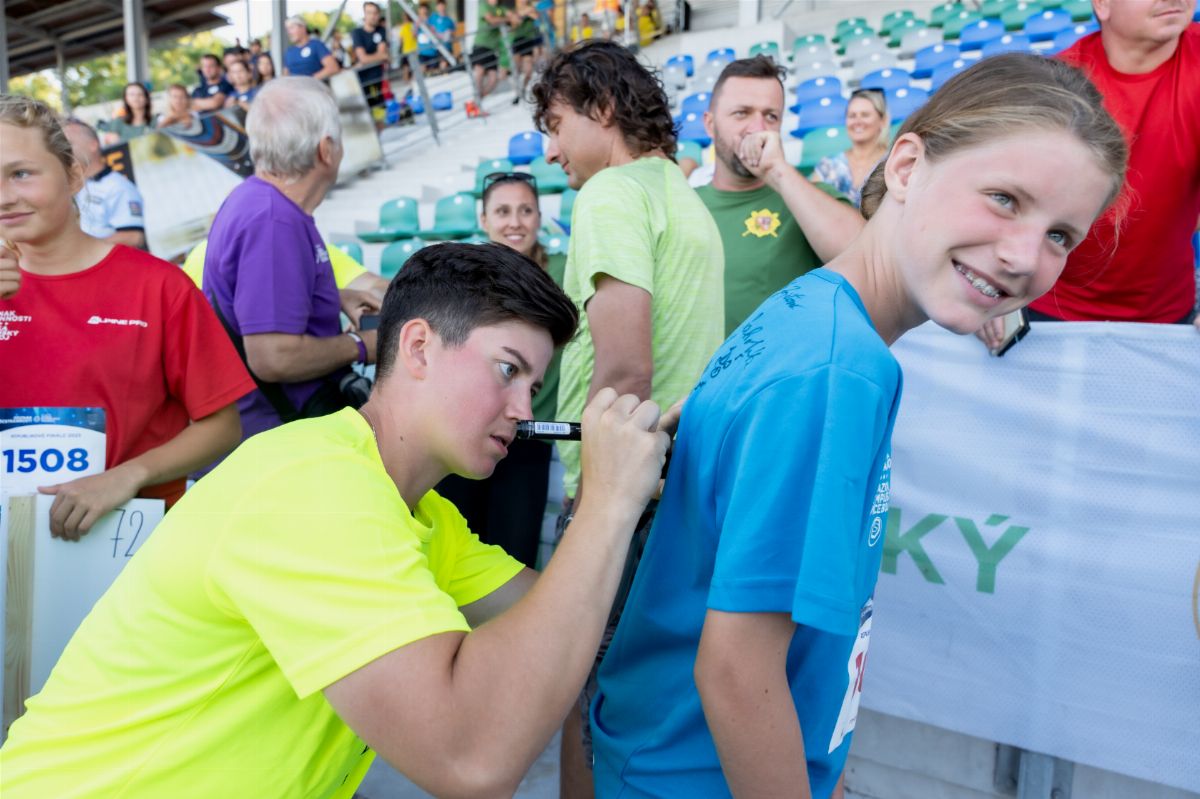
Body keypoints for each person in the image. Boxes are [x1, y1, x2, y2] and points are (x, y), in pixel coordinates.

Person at [588, 53, 1127, 799]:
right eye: (1004, 198)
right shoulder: (839, 368)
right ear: (905, 166)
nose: (1022, 257)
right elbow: (737, 671)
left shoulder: (819, 312)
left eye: (1061, 235)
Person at [0, 241, 676, 799]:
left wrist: (655, 495)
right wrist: (607, 502)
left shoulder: (419, 514)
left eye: (533, 386)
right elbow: (471, 756)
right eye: (507, 370)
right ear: (418, 347)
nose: (524, 410)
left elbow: (567, 623)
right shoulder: (314, 487)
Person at [531, 39, 725, 797]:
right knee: (639, 701)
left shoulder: (610, 194)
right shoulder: (681, 193)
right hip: (671, 483)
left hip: (625, 486)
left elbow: (625, 370)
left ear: (603, 109)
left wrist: (595, 500)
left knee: (588, 695)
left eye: (556, 125)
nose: (551, 152)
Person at [0, 95, 253, 538]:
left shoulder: (158, 287)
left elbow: (222, 426)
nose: (4, 198)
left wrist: (130, 474)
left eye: (21, 173)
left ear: (73, 175)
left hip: (128, 545)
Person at [980, 0, 1198, 340]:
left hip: (1166, 312)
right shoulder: (1054, 85)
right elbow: (1002, 193)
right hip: (1045, 302)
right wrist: (989, 277)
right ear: (1102, 4)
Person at [204, 78, 379, 443]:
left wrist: (332, 297)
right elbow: (274, 357)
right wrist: (363, 344)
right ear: (326, 149)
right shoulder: (273, 221)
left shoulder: (258, 202)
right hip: (287, 432)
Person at [437, 172, 566, 569]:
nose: (515, 222)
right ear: (484, 219)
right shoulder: (460, 277)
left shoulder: (565, 273)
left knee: (513, 556)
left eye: (525, 211)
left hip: (528, 435)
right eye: (503, 211)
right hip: (464, 431)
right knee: (450, 552)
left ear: (539, 217)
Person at [698, 56, 865, 336]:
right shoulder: (685, 204)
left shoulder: (808, 198)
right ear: (710, 124)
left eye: (771, 116)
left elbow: (866, 260)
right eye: (741, 113)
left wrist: (777, 172)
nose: (758, 128)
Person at [61, 118, 147, 250]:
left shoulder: (118, 187)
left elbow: (134, 237)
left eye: (68, 143)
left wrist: (83, 248)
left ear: (93, 145)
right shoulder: (69, 185)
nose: (63, 150)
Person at [810, 88, 891, 208]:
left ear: (883, 121)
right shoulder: (828, 165)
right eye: (852, 116)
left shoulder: (892, 162)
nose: (857, 121)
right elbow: (809, 205)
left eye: (865, 115)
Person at [352, 1, 391, 110]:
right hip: (363, 80)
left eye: (375, 13)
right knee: (368, 109)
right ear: (364, 14)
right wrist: (380, 56)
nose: (373, 16)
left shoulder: (381, 30)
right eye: (369, 13)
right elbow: (363, 58)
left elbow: (382, 53)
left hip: (379, 78)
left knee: (382, 108)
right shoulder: (357, 32)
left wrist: (369, 58)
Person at [471, 0, 511, 104]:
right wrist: (507, 19)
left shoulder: (501, 8)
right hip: (481, 45)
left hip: (492, 48)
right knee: (479, 72)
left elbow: (513, 15)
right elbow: (491, 20)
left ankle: (478, 101)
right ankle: (476, 101)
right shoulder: (484, 6)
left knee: (493, 79)